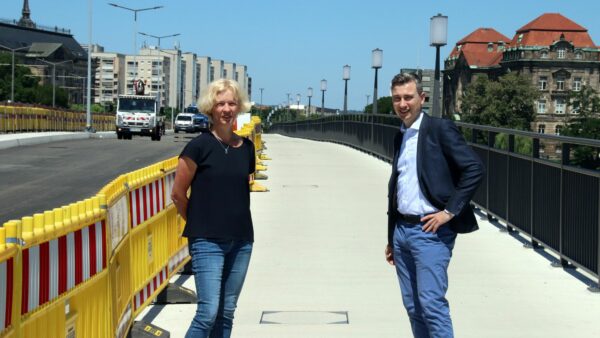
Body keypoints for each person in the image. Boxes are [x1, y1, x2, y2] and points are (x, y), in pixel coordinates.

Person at [384, 72, 484, 338]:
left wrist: (449, 212)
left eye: (408, 97)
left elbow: (474, 168)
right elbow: (398, 189)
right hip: (402, 231)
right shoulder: (401, 135)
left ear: (422, 98)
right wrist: (391, 237)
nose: (402, 104)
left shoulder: (439, 129)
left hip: (431, 232)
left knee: (431, 304)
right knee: (413, 306)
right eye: (397, 98)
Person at [171, 79, 255, 338]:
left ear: (239, 107)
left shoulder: (247, 148)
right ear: (211, 108)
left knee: (226, 311)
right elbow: (177, 194)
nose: (226, 109)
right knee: (207, 313)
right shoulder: (198, 147)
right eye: (220, 104)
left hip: (241, 241)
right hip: (207, 241)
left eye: (231, 103)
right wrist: (198, 223)